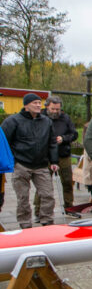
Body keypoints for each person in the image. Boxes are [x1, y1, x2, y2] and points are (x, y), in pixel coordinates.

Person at [1, 93, 58, 228]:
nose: (38, 105)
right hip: (21, 164)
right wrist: (12, 161)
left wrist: (54, 161)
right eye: (35, 103)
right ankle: (25, 223)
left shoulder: (46, 121)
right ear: (26, 105)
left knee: (48, 195)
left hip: (41, 165)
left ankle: (47, 220)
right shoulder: (12, 121)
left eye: (39, 102)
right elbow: (3, 141)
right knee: (23, 197)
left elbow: (52, 142)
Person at [37, 96, 78, 213]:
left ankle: (69, 207)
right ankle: (39, 211)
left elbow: (74, 134)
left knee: (67, 182)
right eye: (53, 109)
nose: (55, 112)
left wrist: (63, 138)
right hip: (45, 156)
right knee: (43, 185)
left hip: (63, 154)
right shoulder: (40, 118)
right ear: (47, 107)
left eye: (58, 109)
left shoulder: (65, 118)